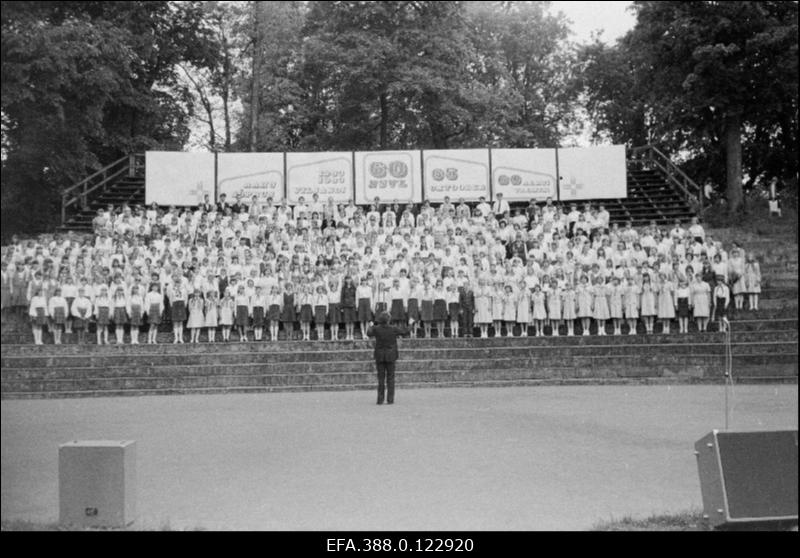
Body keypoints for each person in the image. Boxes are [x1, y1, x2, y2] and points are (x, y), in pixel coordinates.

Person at [366, 311, 413, 405]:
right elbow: (405, 331)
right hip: (391, 355)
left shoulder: (376, 328)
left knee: (381, 378)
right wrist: (411, 324)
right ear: (388, 320)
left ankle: (380, 399)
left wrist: (371, 325)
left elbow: (368, 333)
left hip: (380, 355)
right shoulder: (393, 328)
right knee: (391, 378)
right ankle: (390, 399)